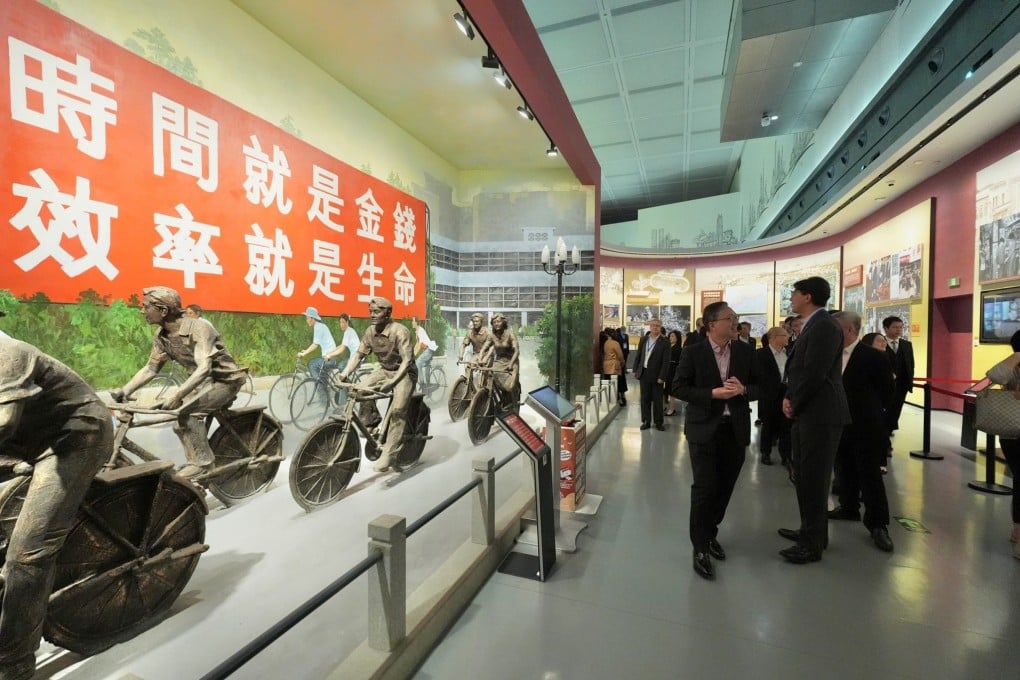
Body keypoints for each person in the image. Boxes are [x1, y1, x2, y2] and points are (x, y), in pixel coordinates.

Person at [0, 337, 112, 680]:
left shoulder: (7, 352)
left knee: (27, 555)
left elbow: (4, 420)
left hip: (71, 440)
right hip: (20, 443)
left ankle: (14, 661)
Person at [112, 286, 247, 477]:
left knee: (189, 416)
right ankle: (195, 461)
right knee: (179, 423)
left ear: (163, 311)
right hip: (201, 383)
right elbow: (151, 368)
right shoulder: (162, 336)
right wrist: (124, 391)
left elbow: (204, 368)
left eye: (146, 307)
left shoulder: (199, 328)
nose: (142, 311)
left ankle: (202, 464)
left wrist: (177, 395)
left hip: (224, 380)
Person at [674, 301, 759, 580]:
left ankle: (710, 533)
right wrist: (712, 394)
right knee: (704, 487)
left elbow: (765, 385)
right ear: (711, 325)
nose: (735, 322)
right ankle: (699, 546)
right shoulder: (693, 352)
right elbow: (679, 387)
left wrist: (744, 389)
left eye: (735, 318)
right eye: (729, 318)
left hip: (734, 429)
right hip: (703, 429)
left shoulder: (746, 352)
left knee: (724, 487)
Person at [778, 277, 850, 564]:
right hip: (810, 411)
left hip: (820, 414)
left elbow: (814, 373)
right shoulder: (815, 325)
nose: (792, 298)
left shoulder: (823, 326)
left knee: (815, 479)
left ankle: (812, 543)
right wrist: (790, 396)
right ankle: (810, 531)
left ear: (807, 296)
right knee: (805, 477)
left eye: (795, 293)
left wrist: (794, 401)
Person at [829, 312, 896, 553]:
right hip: (837, 424)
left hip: (866, 425)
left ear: (848, 330)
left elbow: (888, 392)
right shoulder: (830, 354)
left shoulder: (872, 357)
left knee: (870, 474)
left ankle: (878, 523)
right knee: (843, 467)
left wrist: (875, 416)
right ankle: (848, 507)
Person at [337, 297, 416, 473]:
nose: (372, 315)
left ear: (388, 313)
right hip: (384, 369)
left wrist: (392, 382)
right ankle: (371, 424)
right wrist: (344, 373)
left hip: (404, 372)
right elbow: (358, 355)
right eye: (370, 311)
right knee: (360, 390)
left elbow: (407, 361)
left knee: (398, 411)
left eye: (377, 311)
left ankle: (390, 453)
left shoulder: (400, 331)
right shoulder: (370, 332)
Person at [985, 329, 1020, 560]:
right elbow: (994, 375)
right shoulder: (1013, 367)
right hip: (1014, 432)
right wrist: (1017, 356)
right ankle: (1018, 533)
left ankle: (1017, 530)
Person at [755, 326, 791, 468]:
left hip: (787, 393)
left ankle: (786, 456)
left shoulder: (789, 353)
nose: (787, 337)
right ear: (774, 338)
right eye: (784, 335)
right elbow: (758, 376)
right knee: (768, 424)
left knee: (786, 425)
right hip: (769, 394)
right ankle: (765, 453)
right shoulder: (760, 354)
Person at [479, 313, 520, 412]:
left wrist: (511, 364)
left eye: (498, 321)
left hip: (511, 362)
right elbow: (484, 348)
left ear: (503, 322)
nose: (496, 324)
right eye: (494, 322)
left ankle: (514, 404)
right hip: (499, 362)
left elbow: (517, 351)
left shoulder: (510, 334)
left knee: (510, 386)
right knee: (491, 377)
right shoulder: (492, 336)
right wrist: (480, 358)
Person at [634, 318, 670, 430]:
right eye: (653, 325)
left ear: (660, 327)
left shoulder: (665, 342)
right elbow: (638, 355)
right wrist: (635, 370)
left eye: (657, 326)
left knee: (658, 399)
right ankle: (646, 421)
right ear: (649, 326)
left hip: (657, 375)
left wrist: (662, 376)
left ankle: (658, 422)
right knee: (645, 399)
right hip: (644, 373)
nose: (655, 327)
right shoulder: (644, 339)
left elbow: (666, 361)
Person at [883, 315, 914, 436]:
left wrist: (909, 381)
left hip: (902, 385)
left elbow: (911, 364)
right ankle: (884, 431)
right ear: (886, 328)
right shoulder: (880, 343)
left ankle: (889, 430)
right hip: (884, 384)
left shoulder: (907, 345)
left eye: (901, 327)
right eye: (895, 327)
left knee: (896, 409)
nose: (899, 330)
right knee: (885, 409)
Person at [297, 306, 337, 378]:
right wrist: (306, 351)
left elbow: (315, 345)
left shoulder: (318, 327)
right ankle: (322, 386)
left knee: (311, 364)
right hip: (329, 356)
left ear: (312, 318)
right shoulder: (320, 326)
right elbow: (315, 343)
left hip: (329, 357)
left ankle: (319, 387)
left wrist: (304, 353)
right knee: (321, 373)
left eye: (307, 318)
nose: (306, 320)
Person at [411, 316, 438, 391]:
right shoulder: (417, 331)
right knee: (426, 369)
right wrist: (412, 354)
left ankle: (422, 384)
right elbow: (417, 344)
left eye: (413, 321)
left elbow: (419, 345)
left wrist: (414, 355)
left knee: (418, 363)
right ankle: (428, 389)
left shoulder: (420, 330)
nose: (412, 323)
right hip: (426, 351)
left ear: (416, 322)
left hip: (428, 350)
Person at [600, 329, 626, 407]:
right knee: (617, 382)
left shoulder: (604, 343)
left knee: (607, 381)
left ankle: (608, 399)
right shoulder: (615, 343)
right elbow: (620, 355)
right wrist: (622, 361)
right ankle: (617, 399)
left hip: (606, 364)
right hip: (614, 365)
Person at [664, 329, 683, 416]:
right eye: (670, 336)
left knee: (672, 392)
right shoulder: (670, 347)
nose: (670, 338)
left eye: (672, 336)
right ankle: (670, 408)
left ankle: (672, 409)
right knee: (669, 390)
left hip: (673, 372)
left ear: (677, 338)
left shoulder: (678, 349)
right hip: (668, 371)